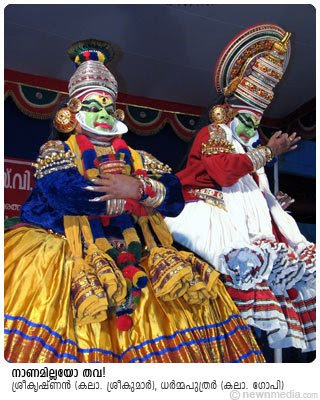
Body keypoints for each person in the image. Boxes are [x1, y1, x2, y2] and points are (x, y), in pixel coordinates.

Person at [4, 39, 265, 363]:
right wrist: (123, 194)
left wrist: (138, 188)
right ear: (71, 114)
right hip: (63, 257)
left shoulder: (140, 158)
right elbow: (64, 193)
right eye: (92, 107)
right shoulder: (57, 152)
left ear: (118, 113)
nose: (101, 114)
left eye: (107, 108)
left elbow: (172, 196)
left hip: (138, 257)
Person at [166, 24, 316, 352]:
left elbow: (241, 185)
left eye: (256, 123)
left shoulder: (248, 154)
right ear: (231, 115)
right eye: (246, 121)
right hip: (205, 221)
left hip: (233, 227)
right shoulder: (216, 134)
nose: (252, 128)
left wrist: (272, 206)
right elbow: (222, 172)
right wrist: (267, 152)